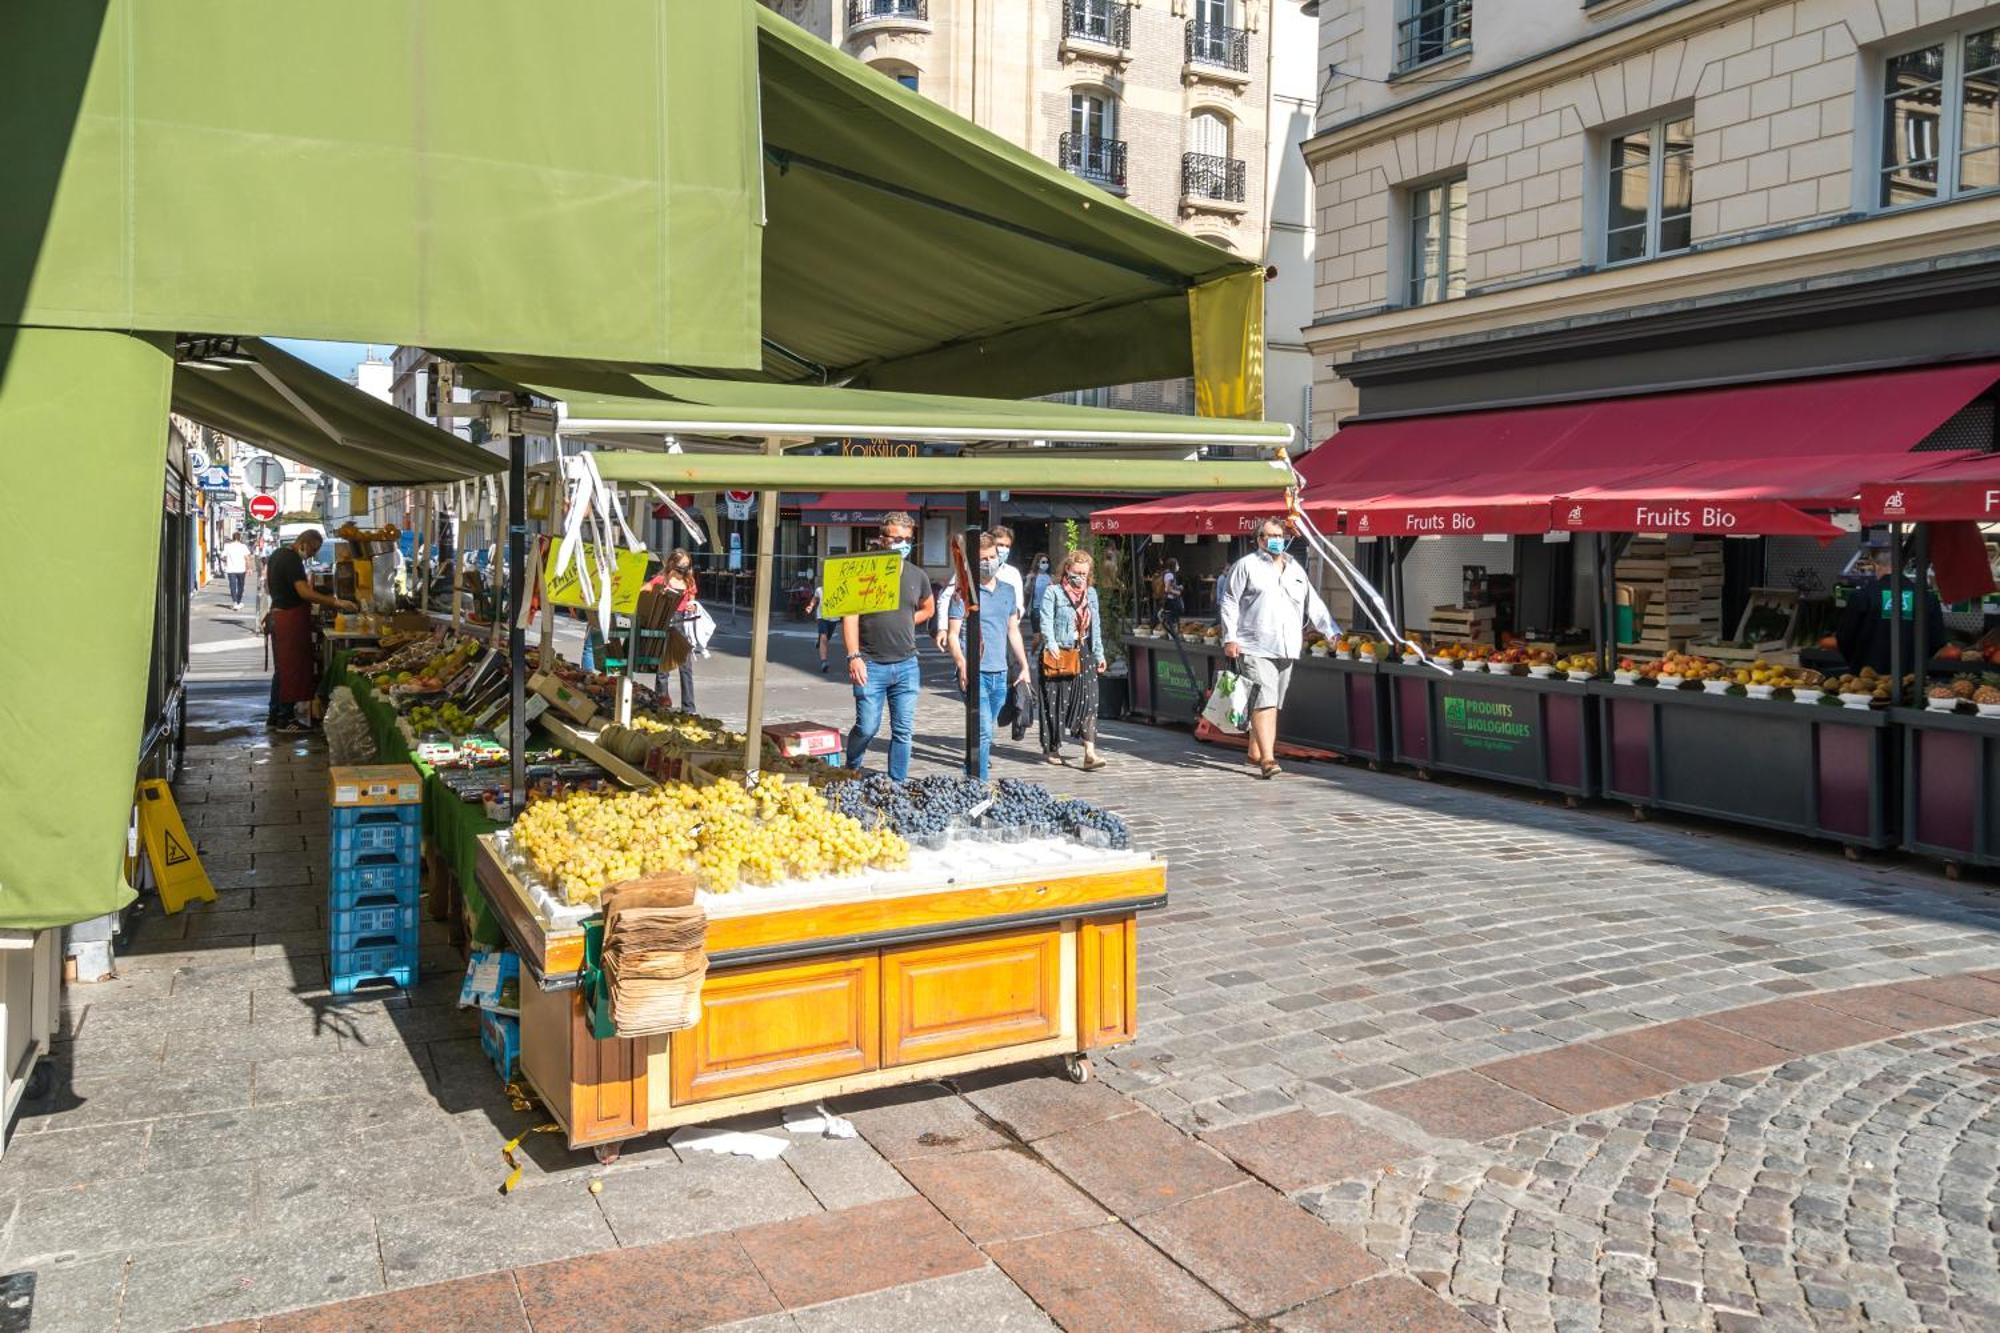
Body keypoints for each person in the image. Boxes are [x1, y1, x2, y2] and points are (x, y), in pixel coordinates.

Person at [1217, 516, 1339, 780]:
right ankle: (1268, 760)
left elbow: (1313, 602)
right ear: (1259, 540)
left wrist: (1331, 630)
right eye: (1270, 536)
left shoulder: (1295, 568)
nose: (1276, 540)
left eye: (1279, 536)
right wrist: (1230, 637)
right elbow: (1229, 601)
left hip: (1287, 647)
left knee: (1273, 701)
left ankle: (1254, 750)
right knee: (1266, 701)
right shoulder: (1246, 566)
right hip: (1255, 644)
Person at [843, 512, 935, 779]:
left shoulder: (917, 575)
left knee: (903, 731)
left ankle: (897, 783)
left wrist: (909, 620)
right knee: (867, 726)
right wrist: (853, 656)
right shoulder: (864, 571)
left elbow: (928, 608)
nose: (903, 543)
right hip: (871, 663)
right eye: (897, 538)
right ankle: (852, 764)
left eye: (908, 539)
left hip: (907, 664)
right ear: (882, 539)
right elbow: (850, 616)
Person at [947, 532, 1031, 781]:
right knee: (983, 730)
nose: (989, 562)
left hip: (1000, 671)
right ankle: (978, 783)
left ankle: (970, 769)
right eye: (983, 559)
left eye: (992, 557)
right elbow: (953, 634)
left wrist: (1024, 666)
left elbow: (1012, 630)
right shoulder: (962, 593)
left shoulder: (1007, 590)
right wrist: (961, 663)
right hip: (975, 672)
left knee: (987, 731)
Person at [265, 529, 355, 732]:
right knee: (292, 670)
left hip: (278, 616)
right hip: (289, 619)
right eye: (313, 549)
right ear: (303, 542)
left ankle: (274, 715)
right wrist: (335, 602)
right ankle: (285, 719)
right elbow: (304, 592)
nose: (313, 554)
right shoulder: (292, 560)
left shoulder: (277, 555)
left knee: (282, 670)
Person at [1037, 549, 1108, 770]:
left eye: (1084, 573)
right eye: (1076, 572)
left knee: (1089, 702)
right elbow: (1046, 620)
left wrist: (1099, 654)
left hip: (1083, 652)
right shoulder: (1053, 592)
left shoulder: (1091, 594)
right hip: (1060, 651)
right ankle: (1053, 747)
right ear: (1067, 569)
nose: (1080, 577)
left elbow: (1095, 626)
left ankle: (1090, 752)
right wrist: (1051, 643)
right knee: (1055, 702)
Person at [1837, 537, 1944, 674]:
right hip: (1911, 678)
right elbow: (1937, 640)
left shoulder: (1861, 597)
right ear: (1902, 565)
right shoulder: (1927, 598)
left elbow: (1845, 637)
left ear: (1875, 564)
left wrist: (1858, 661)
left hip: (1867, 679)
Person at [935, 524, 1024, 652]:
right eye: (1000, 545)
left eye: (1007, 546)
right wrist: (942, 628)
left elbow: (1019, 606)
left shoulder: (1012, 573)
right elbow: (946, 597)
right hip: (973, 639)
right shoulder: (968, 570)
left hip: (1002, 640)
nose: (1003, 549)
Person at [647, 549, 701, 710]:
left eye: (687, 565)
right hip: (664, 622)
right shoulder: (661, 580)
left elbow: (692, 600)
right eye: (682, 565)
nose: (685, 568)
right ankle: (662, 703)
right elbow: (646, 592)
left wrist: (692, 606)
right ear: (673, 563)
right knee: (663, 668)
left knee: (686, 668)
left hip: (682, 623)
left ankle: (689, 708)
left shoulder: (689, 581)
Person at [809, 582, 837, 673]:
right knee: (824, 637)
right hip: (822, 616)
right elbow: (815, 598)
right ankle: (824, 662)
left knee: (826, 638)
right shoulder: (819, 590)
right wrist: (811, 606)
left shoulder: (838, 588)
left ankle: (819, 641)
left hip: (834, 617)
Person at [221, 530, 252, 610]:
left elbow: (222, 557)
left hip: (231, 569)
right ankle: (238, 602)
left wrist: (226, 561)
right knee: (241, 586)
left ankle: (235, 602)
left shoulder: (227, 546)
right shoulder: (243, 546)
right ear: (239, 538)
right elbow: (247, 558)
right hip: (241, 569)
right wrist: (249, 568)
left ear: (232, 538)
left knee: (232, 586)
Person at [1154, 557, 1185, 629]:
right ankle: (1166, 618)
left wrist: (1178, 587)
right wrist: (1177, 592)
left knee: (1178, 611)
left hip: (1169, 598)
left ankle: (1169, 621)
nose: (1178, 566)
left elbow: (1171, 585)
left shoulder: (1168, 573)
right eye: (1177, 564)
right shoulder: (1170, 575)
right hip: (1169, 598)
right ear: (1173, 565)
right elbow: (1167, 589)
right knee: (1179, 609)